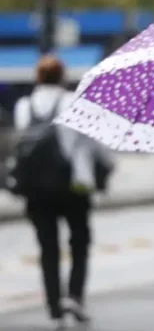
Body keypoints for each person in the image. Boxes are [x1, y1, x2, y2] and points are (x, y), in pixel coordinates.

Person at [13, 55, 114, 327]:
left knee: (48, 248)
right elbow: (93, 142)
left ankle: (55, 308)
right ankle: (74, 296)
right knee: (79, 243)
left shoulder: (24, 106)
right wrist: (108, 166)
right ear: (62, 76)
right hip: (73, 186)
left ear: (38, 77)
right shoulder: (73, 103)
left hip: (36, 189)